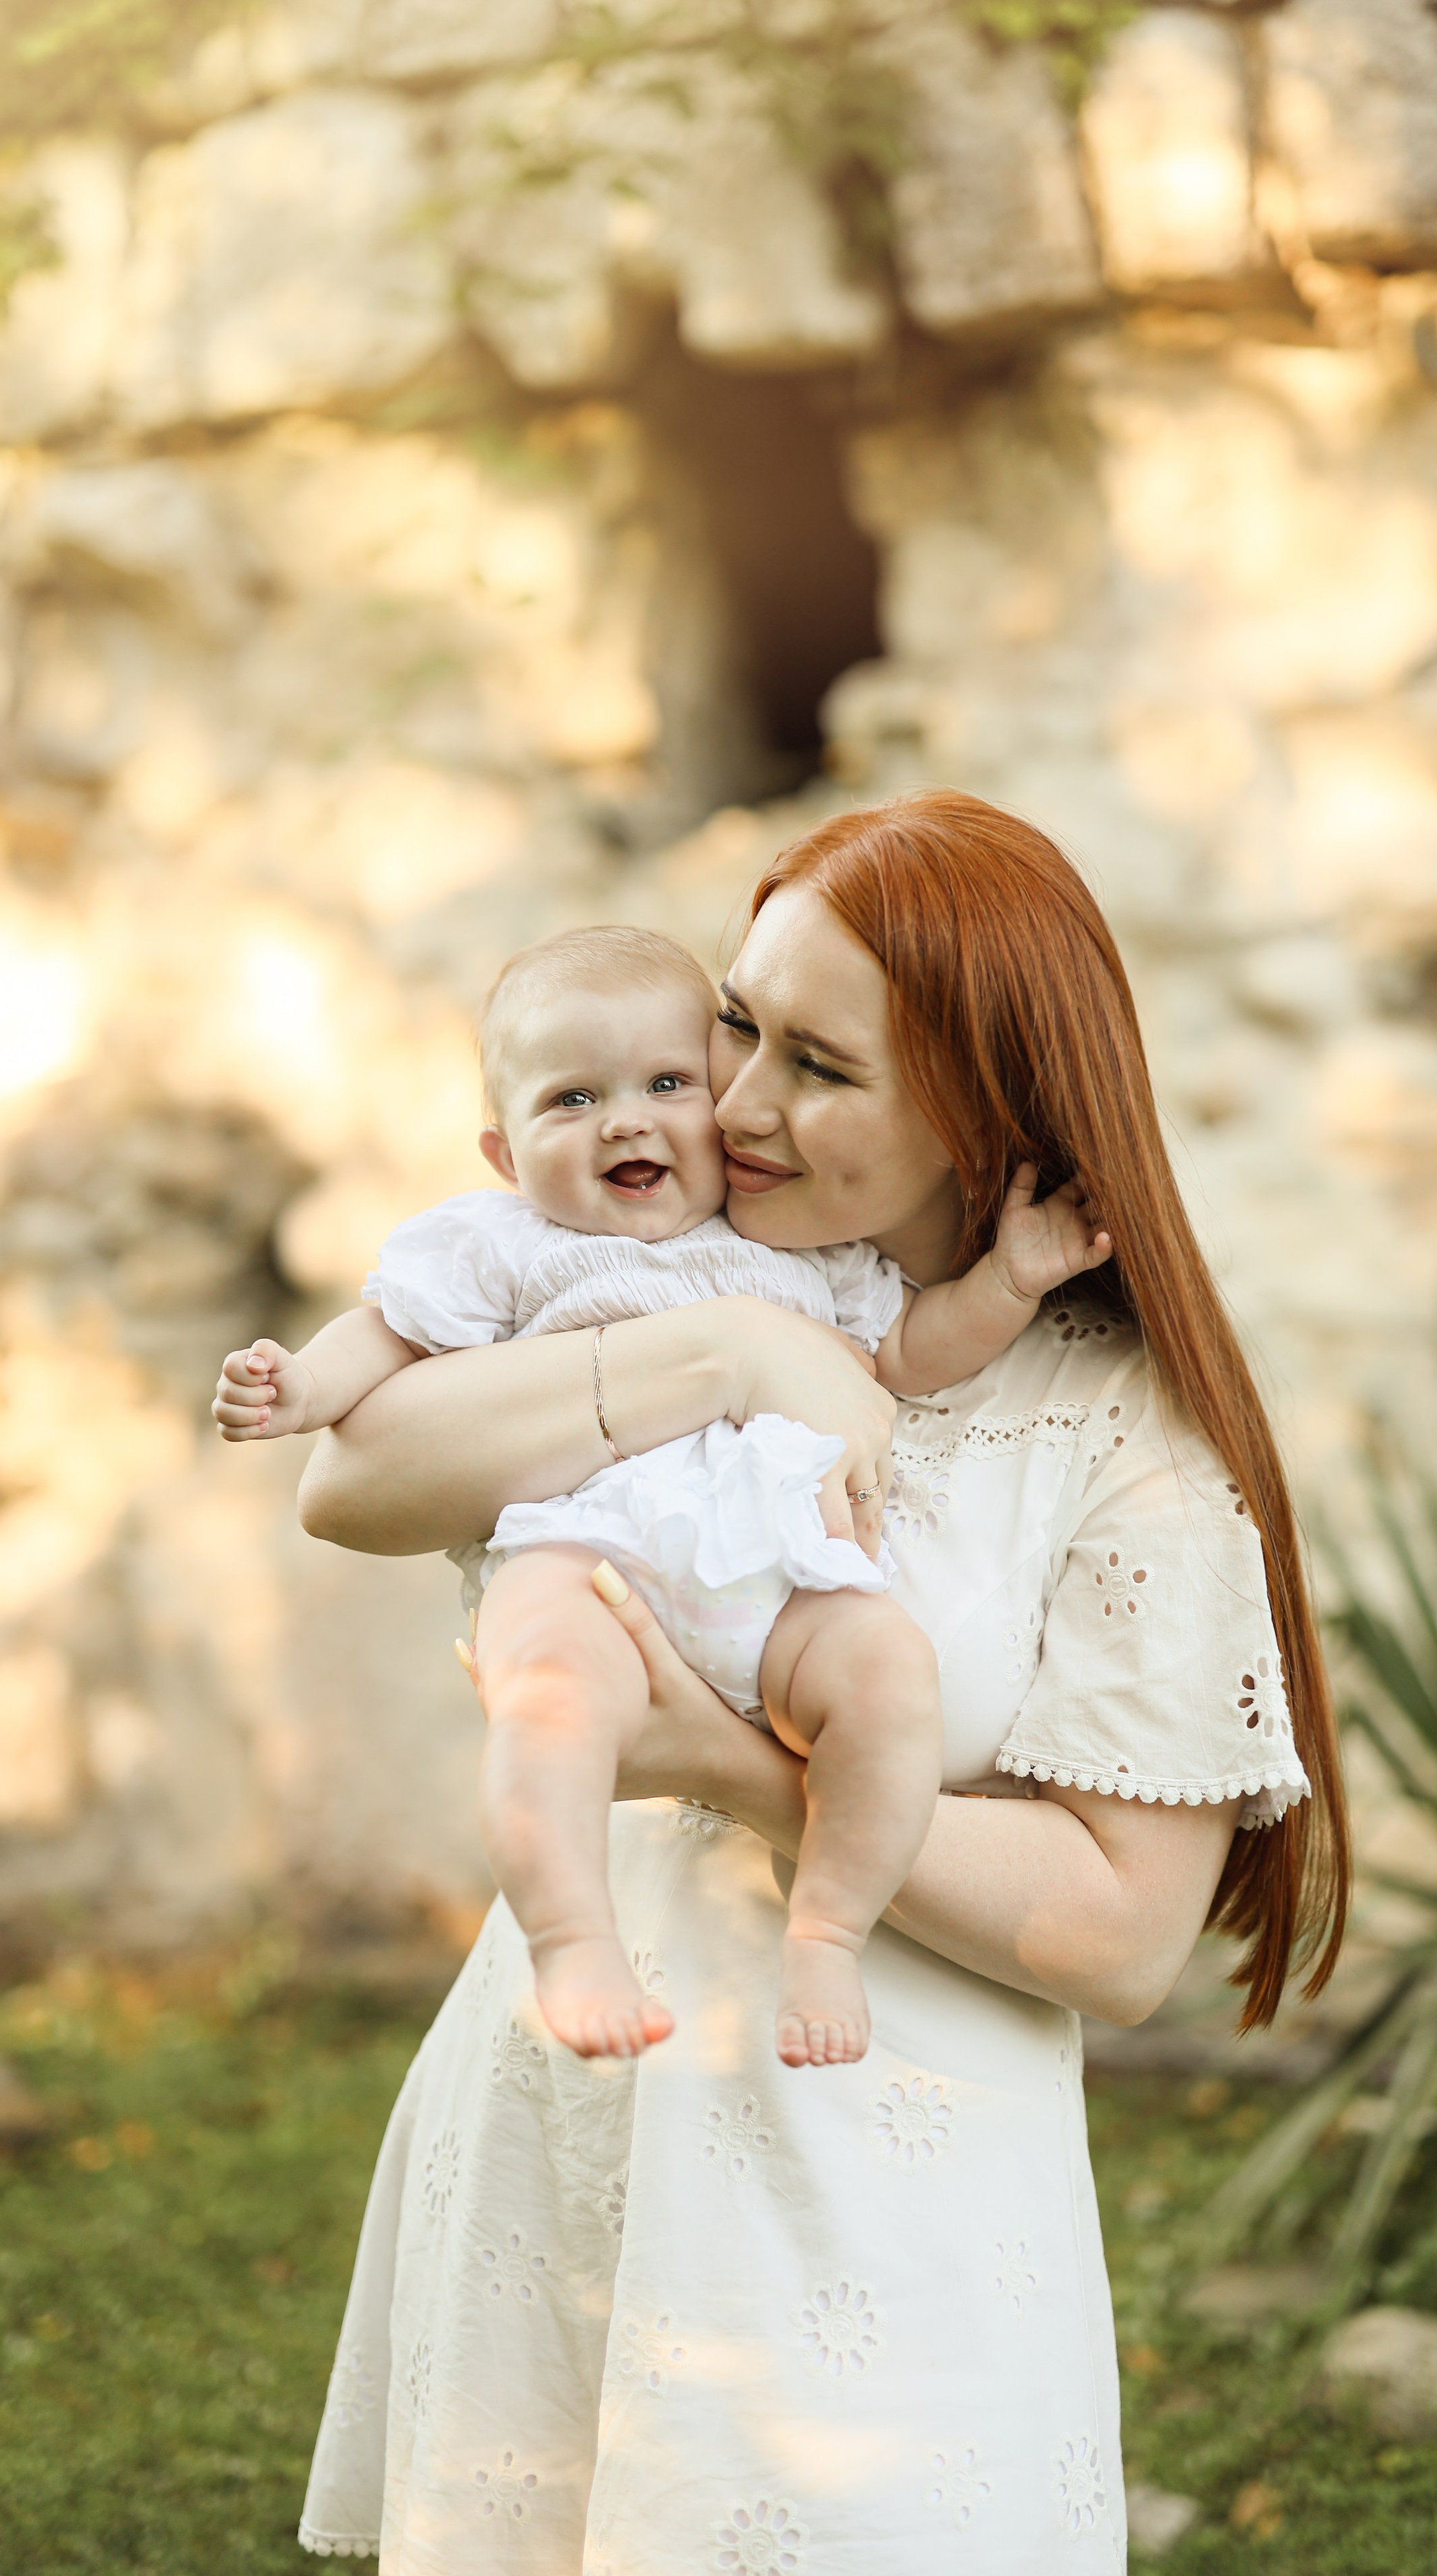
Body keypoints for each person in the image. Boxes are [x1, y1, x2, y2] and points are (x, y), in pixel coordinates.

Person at [293, 791, 1349, 2570]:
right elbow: (356, 1482)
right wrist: (723, 1349)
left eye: (819, 1066)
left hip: (875, 2192)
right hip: (573, 2129)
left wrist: (725, 1759)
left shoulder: (1119, 1443)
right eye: (738, 1031)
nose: (740, 1104)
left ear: (981, 1113)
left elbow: (1118, 1935)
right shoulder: (668, 1273)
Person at [212, 926, 1108, 2068]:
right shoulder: (504, 1245)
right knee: (545, 1695)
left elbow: (910, 1353)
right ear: (502, 1152)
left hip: (775, 1579)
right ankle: (572, 1934)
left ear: (722, 1104)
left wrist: (1008, 1283)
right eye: (573, 1099)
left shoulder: (798, 1251)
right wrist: (299, 1387)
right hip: (582, 1555)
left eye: (668, 1084)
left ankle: (829, 1928)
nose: (625, 1120)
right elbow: (384, 1335)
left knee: (888, 1676)